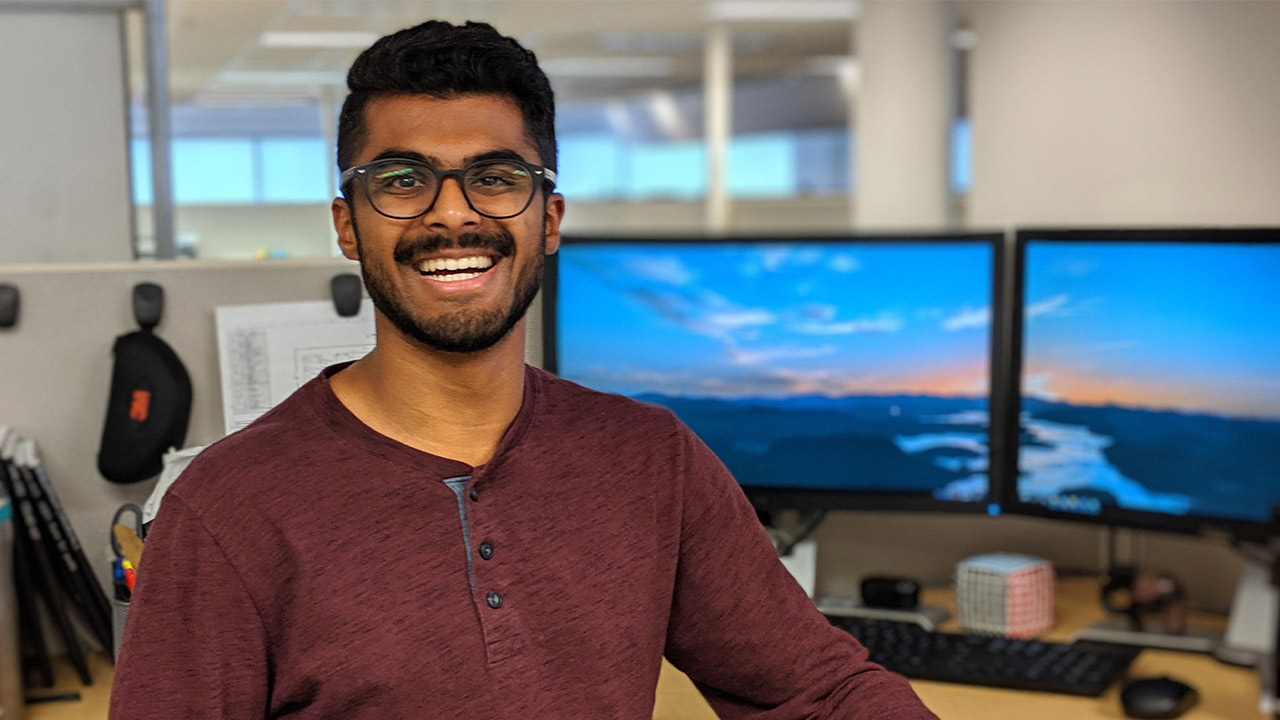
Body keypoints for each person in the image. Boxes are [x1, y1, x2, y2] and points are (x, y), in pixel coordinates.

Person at [109, 20, 938, 720]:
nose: (453, 213)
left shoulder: (649, 458)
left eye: (496, 178)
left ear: (550, 219)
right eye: (401, 180)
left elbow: (817, 692)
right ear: (347, 225)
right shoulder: (228, 512)